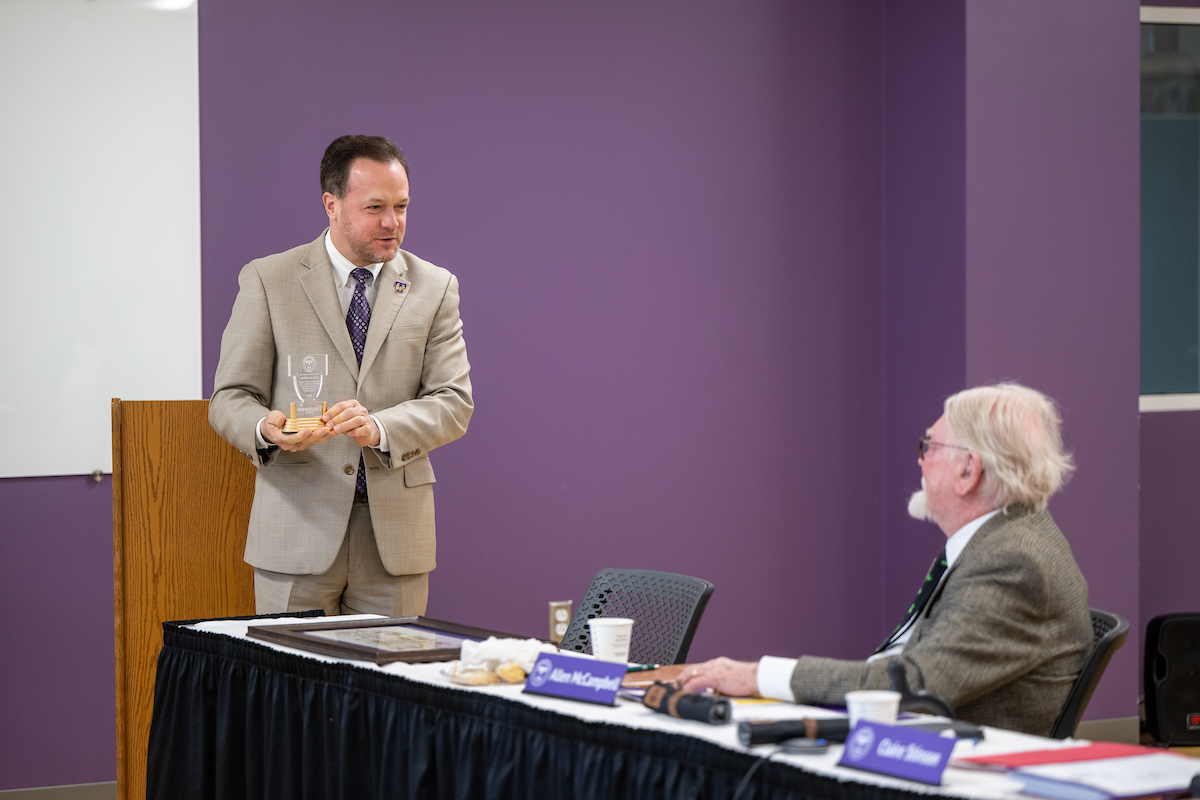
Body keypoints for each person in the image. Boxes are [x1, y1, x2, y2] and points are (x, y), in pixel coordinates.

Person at [682, 383, 1092, 736]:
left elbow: (911, 683)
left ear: (969, 471)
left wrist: (757, 676)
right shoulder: (1002, 539)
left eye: (929, 446)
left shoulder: (1014, 560)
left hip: (949, 765)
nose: (919, 459)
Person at [209, 135, 472, 617]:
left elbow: (453, 402)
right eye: (375, 207)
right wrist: (264, 429)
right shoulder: (269, 280)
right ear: (332, 205)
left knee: (391, 690)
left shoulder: (436, 288)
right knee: (289, 692)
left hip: (394, 543)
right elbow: (230, 397)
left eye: (402, 206)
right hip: (295, 535)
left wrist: (381, 428)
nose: (392, 222)